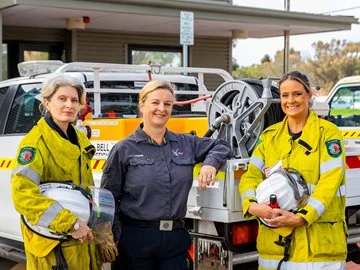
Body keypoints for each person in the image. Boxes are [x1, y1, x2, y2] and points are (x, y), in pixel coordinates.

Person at [100, 80, 232, 269]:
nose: (161, 109)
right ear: (142, 104)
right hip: (136, 239)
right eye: (155, 102)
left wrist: (210, 164)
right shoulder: (124, 149)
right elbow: (108, 197)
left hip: (174, 241)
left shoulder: (185, 143)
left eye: (167, 104)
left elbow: (222, 145)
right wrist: (113, 236)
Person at [239, 71, 346, 270]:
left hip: (317, 251)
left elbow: (329, 183)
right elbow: (251, 176)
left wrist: (301, 217)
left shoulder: (328, 134)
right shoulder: (269, 137)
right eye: (285, 95)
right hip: (274, 252)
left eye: (297, 94)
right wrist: (252, 206)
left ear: (309, 95)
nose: (290, 100)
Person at [11, 74, 102, 270]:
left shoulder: (78, 138)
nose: (69, 105)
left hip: (81, 242)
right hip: (53, 246)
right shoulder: (34, 143)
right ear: (47, 102)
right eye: (62, 99)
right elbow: (23, 196)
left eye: (74, 100)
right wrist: (70, 223)